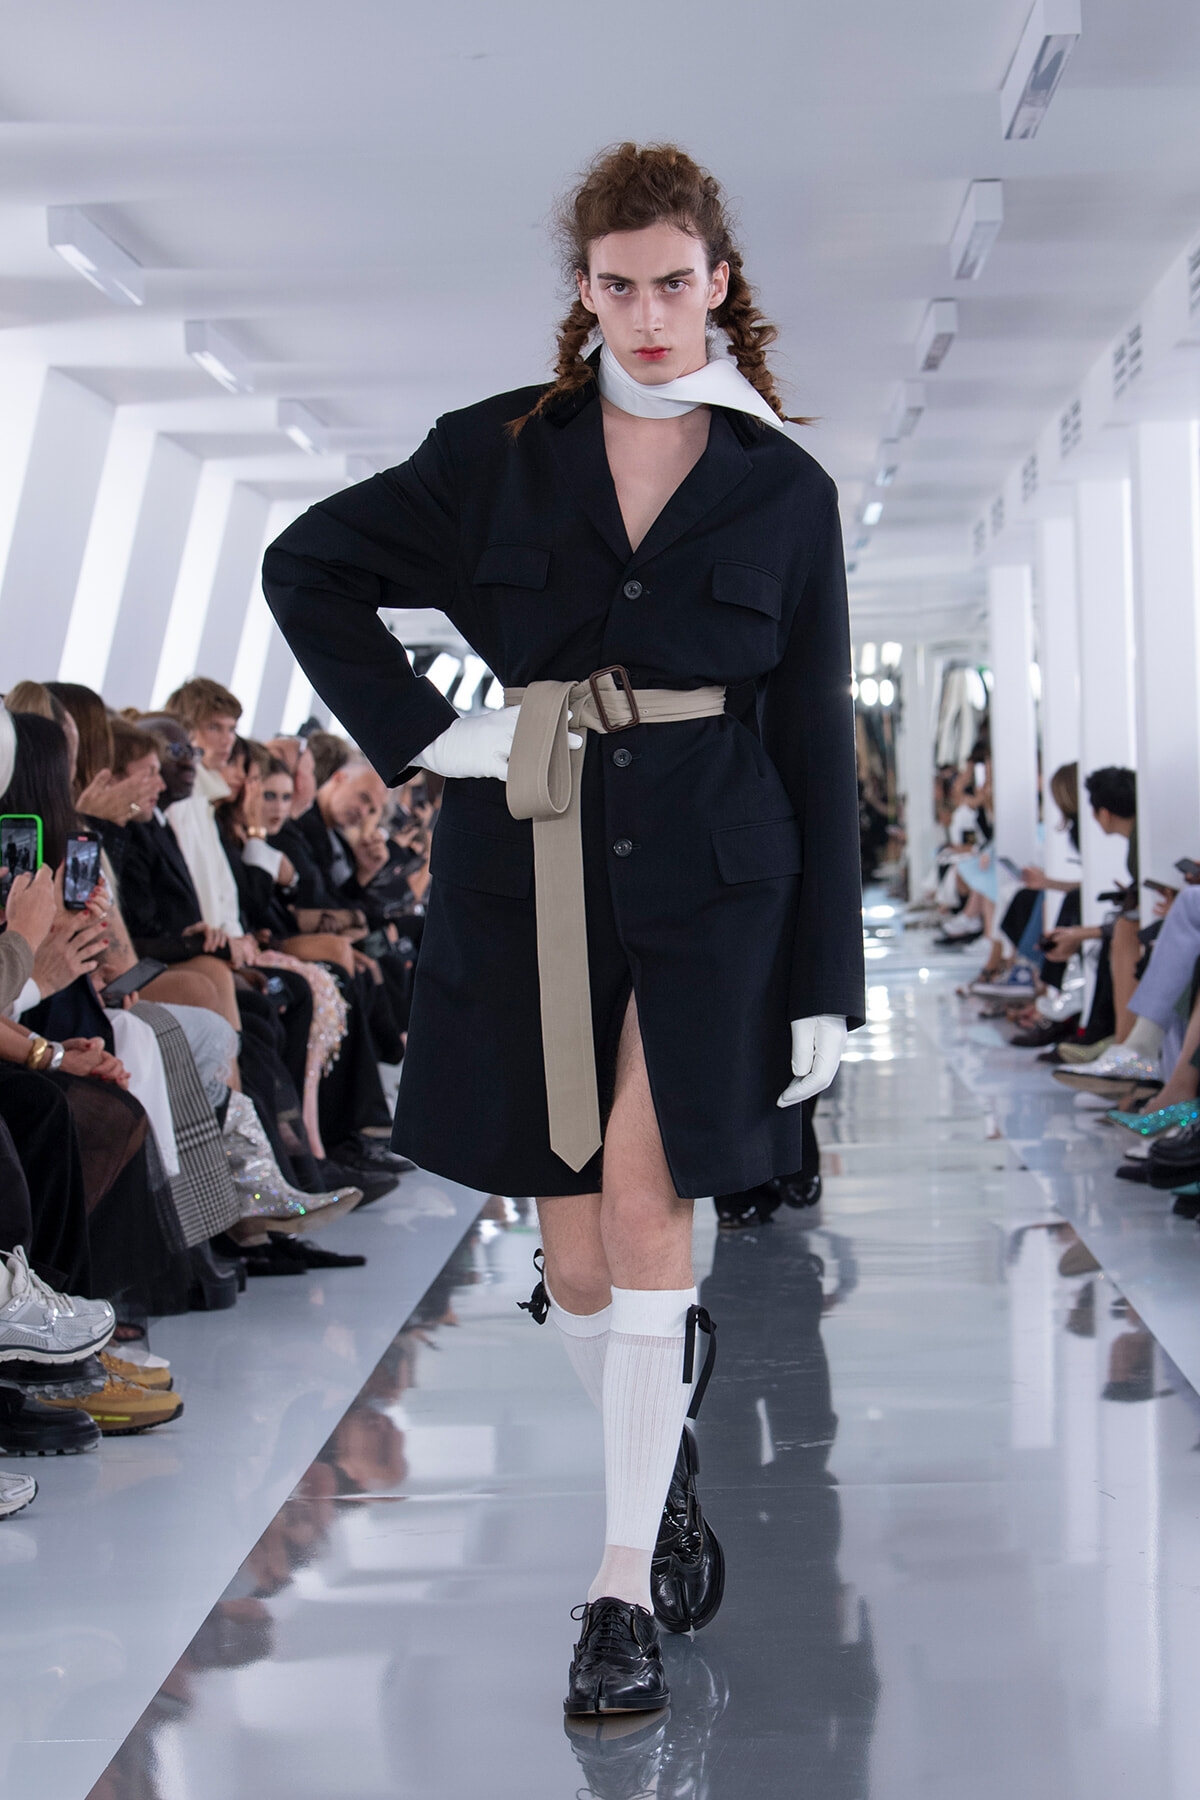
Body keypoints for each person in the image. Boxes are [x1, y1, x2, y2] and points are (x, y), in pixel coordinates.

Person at [264, 141, 864, 1714]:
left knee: (650, 1195)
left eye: (674, 283)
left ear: (718, 282)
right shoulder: (497, 452)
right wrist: (427, 731)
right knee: (575, 1246)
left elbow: (810, 727)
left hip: (722, 875)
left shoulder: (784, 489)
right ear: (584, 291)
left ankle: (616, 1590)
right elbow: (305, 565)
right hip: (530, 859)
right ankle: (655, 1467)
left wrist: (829, 978)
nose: (650, 315)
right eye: (618, 286)